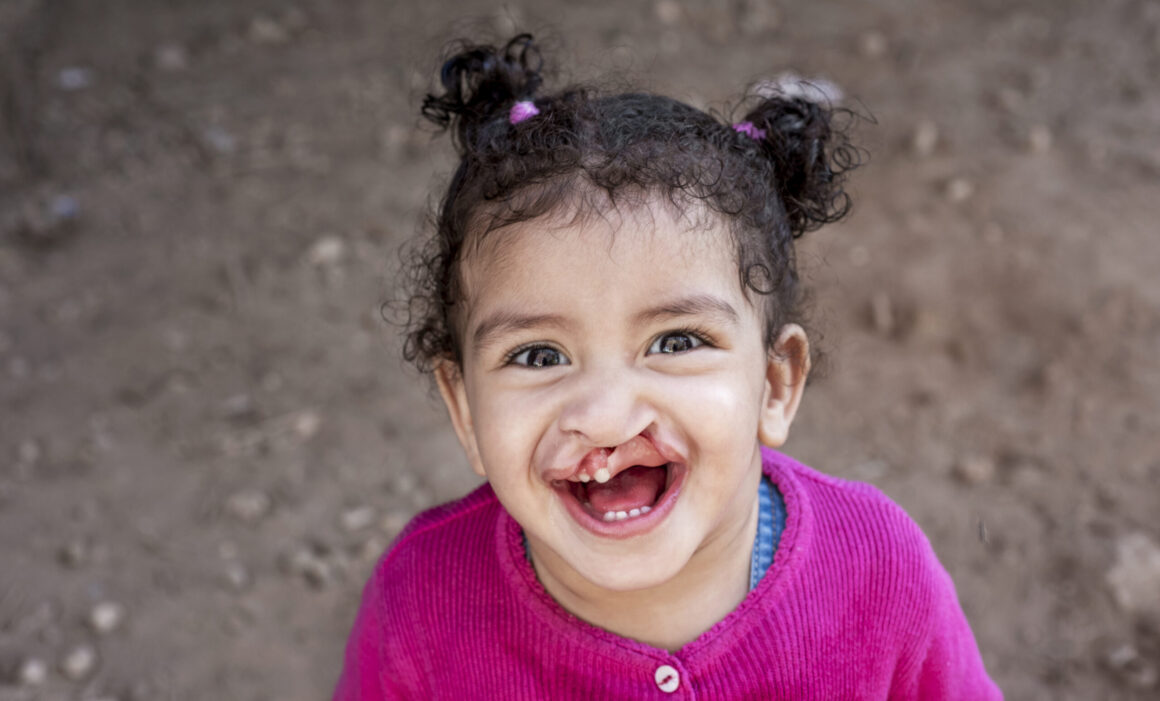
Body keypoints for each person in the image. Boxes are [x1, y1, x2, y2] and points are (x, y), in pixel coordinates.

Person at [334, 33, 1002, 700]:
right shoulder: (421, 599)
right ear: (465, 410)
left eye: (676, 342)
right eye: (539, 355)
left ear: (775, 383)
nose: (605, 414)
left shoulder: (879, 570)